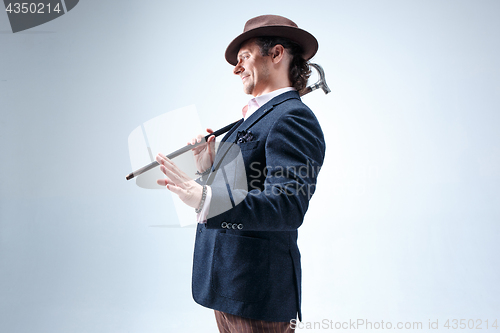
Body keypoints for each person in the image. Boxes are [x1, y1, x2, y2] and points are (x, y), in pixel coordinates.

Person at [155, 15, 326, 333]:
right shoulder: (254, 119)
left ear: (276, 54)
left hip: (257, 292)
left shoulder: (292, 118)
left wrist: (204, 197)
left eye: (244, 57)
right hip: (229, 285)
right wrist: (208, 169)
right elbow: (242, 191)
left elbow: (286, 206)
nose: (236, 69)